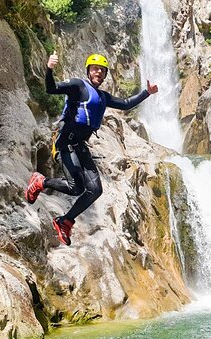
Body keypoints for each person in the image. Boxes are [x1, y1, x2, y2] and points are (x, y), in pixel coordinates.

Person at [25, 52, 158, 245]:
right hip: (65, 143)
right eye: (95, 69)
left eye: (102, 70)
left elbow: (126, 103)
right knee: (75, 187)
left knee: (95, 189)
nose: (98, 72)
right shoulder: (78, 86)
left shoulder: (103, 96)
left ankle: (65, 221)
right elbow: (51, 88)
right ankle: (40, 181)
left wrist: (147, 92)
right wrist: (49, 69)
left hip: (80, 146)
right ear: (88, 70)